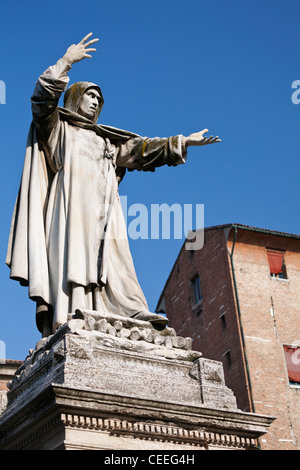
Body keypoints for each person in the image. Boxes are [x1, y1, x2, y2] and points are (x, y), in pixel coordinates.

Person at [6, 33, 221, 337]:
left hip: (106, 211)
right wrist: (66, 62)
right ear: (75, 98)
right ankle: (74, 312)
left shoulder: (106, 139)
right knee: (75, 258)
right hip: (70, 208)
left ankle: (128, 311)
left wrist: (182, 141)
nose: (95, 102)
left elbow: (142, 151)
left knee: (118, 261)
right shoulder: (57, 129)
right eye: (90, 96)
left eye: (99, 99)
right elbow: (41, 101)